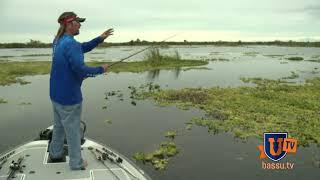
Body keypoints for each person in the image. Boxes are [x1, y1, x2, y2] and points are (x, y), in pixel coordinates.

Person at [49, 11, 113, 170]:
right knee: (73, 132)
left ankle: (55, 153)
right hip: (69, 97)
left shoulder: (59, 40)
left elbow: (81, 47)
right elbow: (80, 70)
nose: (80, 24)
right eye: (78, 22)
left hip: (56, 95)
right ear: (70, 24)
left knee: (58, 127)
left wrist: (100, 39)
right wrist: (100, 69)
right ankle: (76, 163)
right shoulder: (69, 43)